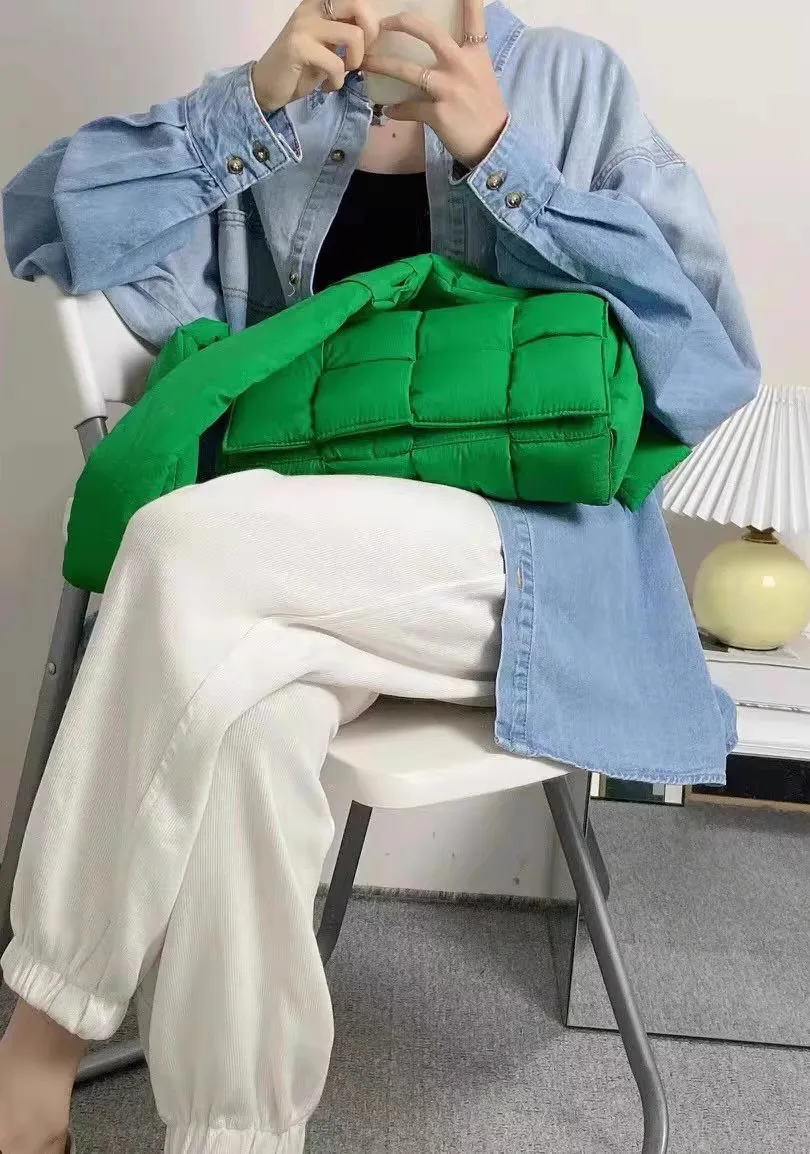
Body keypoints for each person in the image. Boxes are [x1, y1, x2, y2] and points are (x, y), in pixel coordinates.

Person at [0, 1, 760, 1151]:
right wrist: (246, 109)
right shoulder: (282, 94)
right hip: (293, 571)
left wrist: (502, 157)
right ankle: (232, 1135)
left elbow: (707, 364)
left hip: (516, 564)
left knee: (179, 541)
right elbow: (44, 217)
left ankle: (37, 1046)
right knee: (246, 725)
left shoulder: (573, 85)